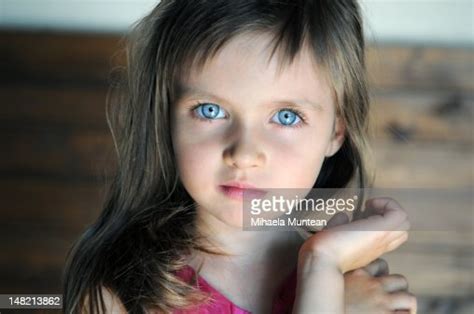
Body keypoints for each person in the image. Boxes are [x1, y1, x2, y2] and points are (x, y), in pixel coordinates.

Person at [63, 0, 417, 313]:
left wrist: (324, 267)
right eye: (210, 110)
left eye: (286, 117)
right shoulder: (118, 292)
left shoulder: (354, 283)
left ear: (336, 132)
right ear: (166, 118)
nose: (244, 155)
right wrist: (321, 281)